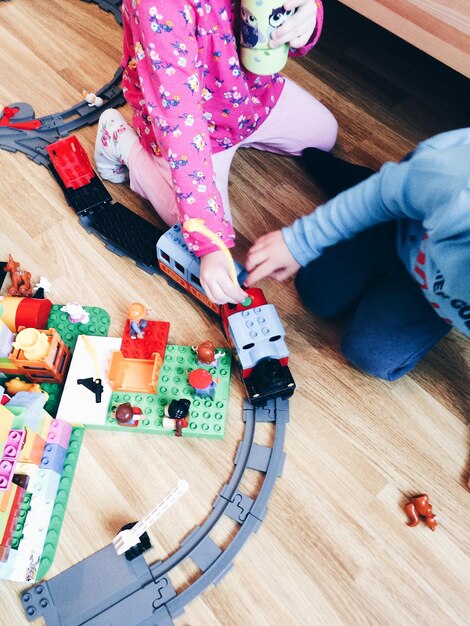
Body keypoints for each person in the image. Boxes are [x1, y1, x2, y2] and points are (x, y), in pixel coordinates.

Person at [94, 0, 337, 305]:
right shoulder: (159, 6)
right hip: (192, 128)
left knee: (324, 136)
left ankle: (239, 137)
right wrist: (210, 243)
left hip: (249, 97)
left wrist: (307, 16)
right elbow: (180, 119)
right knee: (190, 226)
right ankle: (121, 140)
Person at [245, 128, 470, 381]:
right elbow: (384, 195)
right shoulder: (460, 185)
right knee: (316, 292)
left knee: (373, 355)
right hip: (404, 220)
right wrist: (300, 242)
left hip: (436, 291)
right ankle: (362, 185)